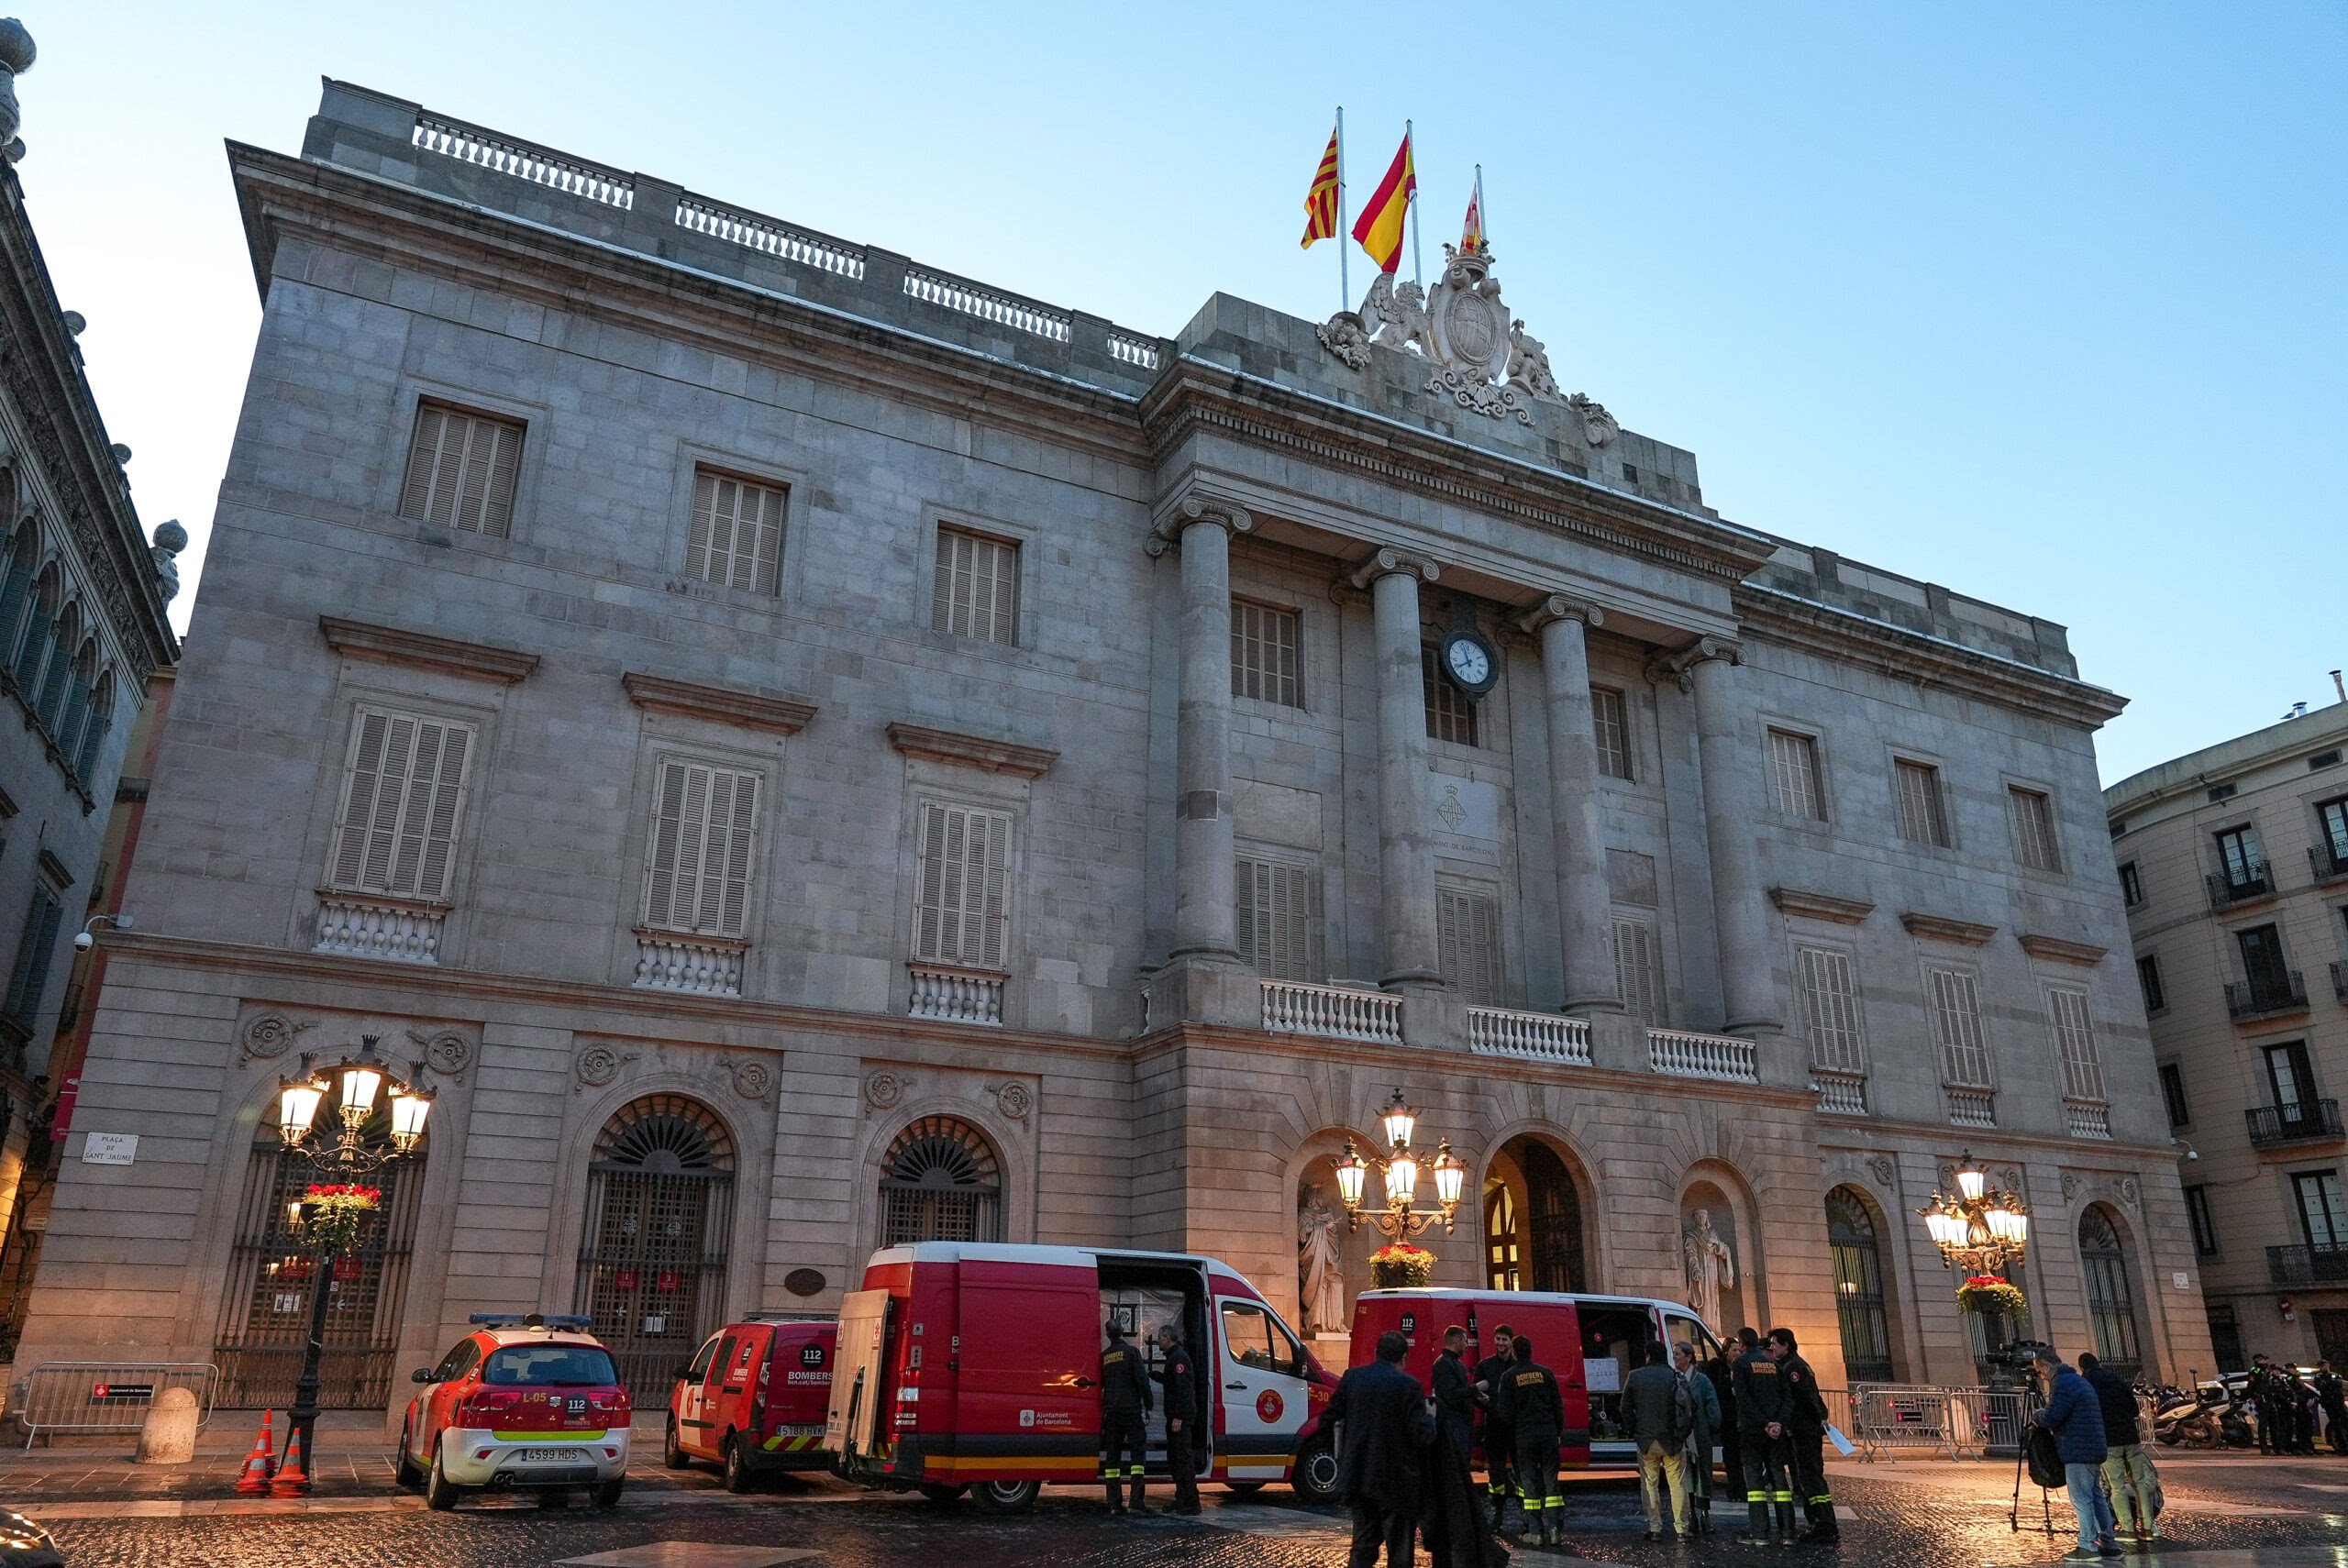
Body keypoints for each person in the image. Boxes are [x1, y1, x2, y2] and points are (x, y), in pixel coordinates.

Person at [1324, 1328, 1434, 1568]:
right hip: (1397, 1482)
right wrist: (1430, 1419)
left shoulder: (1353, 1378)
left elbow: (1328, 1418)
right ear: (1404, 1358)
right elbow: (1421, 1435)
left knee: (1362, 1548)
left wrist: (1344, 1456)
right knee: (1400, 1553)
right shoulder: (1409, 1386)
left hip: (1359, 1477)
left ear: (1376, 1353)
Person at [2030, 1346, 2120, 1562]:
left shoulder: (2063, 1383)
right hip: (2092, 1447)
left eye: (2040, 1371)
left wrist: (2037, 1415)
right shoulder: (2077, 1380)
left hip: (2079, 1450)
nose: (2041, 1376)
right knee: (2096, 1497)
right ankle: (2110, 1544)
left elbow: (2053, 1416)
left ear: (2046, 1365)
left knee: (2082, 1499)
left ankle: (2087, 1545)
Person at [1423, 1326, 1500, 1568]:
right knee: (1455, 1474)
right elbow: (1453, 1394)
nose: (1467, 1343)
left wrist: (1483, 1402)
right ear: (1455, 1341)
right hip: (1453, 1427)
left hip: (1461, 1426)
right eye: (1465, 1340)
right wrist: (1478, 1388)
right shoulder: (1443, 1364)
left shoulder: (1454, 1363)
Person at [2078, 1352, 2155, 1550]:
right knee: (2139, 1482)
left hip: (2109, 1440)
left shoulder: (2086, 1383)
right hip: (2130, 1437)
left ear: (2082, 1367)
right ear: (2098, 1363)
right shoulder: (2116, 1379)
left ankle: (2128, 1529)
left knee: (2117, 1485)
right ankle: (2147, 1528)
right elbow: (2133, 1409)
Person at [1497, 1333, 1566, 1549]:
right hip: (1548, 1434)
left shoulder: (1508, 1377)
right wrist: (1557, 1431)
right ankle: (1555, 1531)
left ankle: (1535, 1531)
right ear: (1531, 1351)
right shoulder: (1546, 1373)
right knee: (1551, 1482)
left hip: (1524, 1436)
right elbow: (1558, 1406)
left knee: (1529, 1483)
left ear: (1515, 1352)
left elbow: (1504, 1413)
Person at [1769, 1328, 1837, 1544]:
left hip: (1803, 1431)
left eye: (1775, 1344)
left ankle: (1822, 1524)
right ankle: (1824, 1522)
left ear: (1786, 1345)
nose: (1772, 1348)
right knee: (1813, 1476)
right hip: (1807, 1429)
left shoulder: (1792, 1368)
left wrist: (1817, 1418)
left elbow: (1803, 1398)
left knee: (1809, 1477)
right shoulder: (1799, 1364)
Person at [1731, 1322, 1795, 1548]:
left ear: (1741, 1342)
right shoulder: (1773, 1364)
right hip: (1775, 1433)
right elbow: (1788, 1398)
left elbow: (1744, 1398)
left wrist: (1765, 1423)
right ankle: (1788, 1532)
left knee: (1755, 1484)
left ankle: (1760, 1532)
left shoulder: (1741, 1363)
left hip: (1752, 1430)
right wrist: (1778, 1423)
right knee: (1779, 1481)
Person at [1625, 1341, 1693, 1540]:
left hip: (1646, 1440)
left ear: (1647, 1356)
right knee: (1677, 1484)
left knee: (1649, 1483)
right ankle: (1682, 1528)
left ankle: (1654, 1528)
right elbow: (1689, 1408)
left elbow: (1625, 1409)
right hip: (1672, 1440)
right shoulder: (1676, 1376)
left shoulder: (1635, 1376)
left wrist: (1634, 1430)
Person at [1098, 1318, 1153, 1516]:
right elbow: (1142, 1380)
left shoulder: (1104, 1356)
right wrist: (1149, 1406)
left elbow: (1100, 1384)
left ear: (1108, 1335)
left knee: (1112, 1460)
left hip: (1111, 1413)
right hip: (1130, 1411)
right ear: (1122, 1332)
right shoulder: (1131, 1353)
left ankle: (1114, 1503)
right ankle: (1136, 1502)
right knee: (1138, 1458)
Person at [1152, 1321, 1202, 1517]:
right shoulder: (1173, 1358)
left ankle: (1191, 1502)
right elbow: (1173, 1383)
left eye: (1159, 1338)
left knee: (1183, 1460)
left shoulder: (1179, 1359)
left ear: (1168, 1338)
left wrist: (1179, 1417)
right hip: (1174, 1417)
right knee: (1175, 1460)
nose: (1158, 1342)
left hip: (1180, 1419)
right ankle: (1181, 1498)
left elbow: (1183, 1390)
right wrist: (1157, 1375)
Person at [1472, 1324, 1519, 1531]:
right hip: (1494, 1428)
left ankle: (1528, 1517)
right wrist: (1492, 1407)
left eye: (1504, 1339)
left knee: (1522, 1472)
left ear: (1511, 1341)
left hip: (1516, 1428)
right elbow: (1476, 1395)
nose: (1500, 1343)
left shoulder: (1519, 1367)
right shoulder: (1485, 1366)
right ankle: (1496, 1516)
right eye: (1497, 1339)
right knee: (1496, 1475)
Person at [1676, 1341, 1722, 1534]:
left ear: (1689, 1357)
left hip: (1699, 1435)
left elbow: (1713, 1409)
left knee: (1703, 1476)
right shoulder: (1674, 1379)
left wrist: (1708, 1428)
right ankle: (1692, 1516)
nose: (1675, 1356)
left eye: (1678, 1353)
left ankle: (1705, 1515)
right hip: (1682, 1437)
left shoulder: (1702, 1380)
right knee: (1686, 1477)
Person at [1714, 1331, 1749, 1506]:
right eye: (1734, 1350)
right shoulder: (1718, 1367)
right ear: (1726, 1351)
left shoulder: (1741, 1366)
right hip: (1727, 1417)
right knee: (1731, 1456)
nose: (1737, 1353)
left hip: (1740, 1418)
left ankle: (1741, 1488)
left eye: (1739, 1350)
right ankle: (1734, 1488)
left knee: (1741, 1456)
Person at [2317, 1360, 2348, 1454]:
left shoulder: (2335, 1375)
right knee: (2336, 1427)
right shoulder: (2319, 1377)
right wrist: (2330, 1384)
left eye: (2323, 1366)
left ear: (2328, 1365)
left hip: (2339, 1404)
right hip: (2329, 1405)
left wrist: (2327, 1384)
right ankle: (2343, 1448)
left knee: (2345, 1424)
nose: (2321, 1368)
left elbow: (2339, 1385)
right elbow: (2319, 1387)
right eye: (2320, 1366)